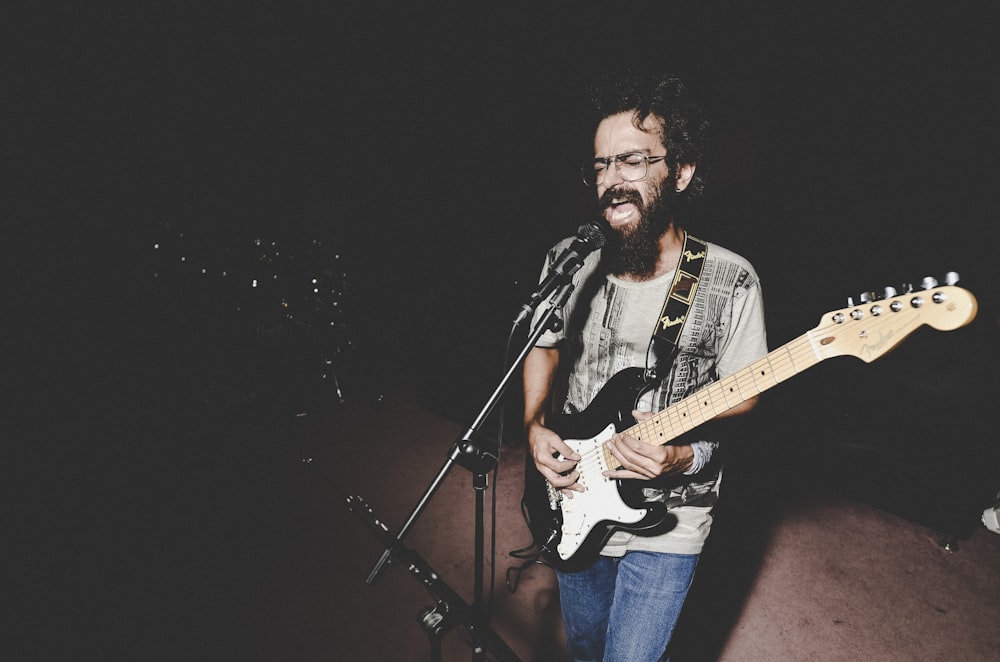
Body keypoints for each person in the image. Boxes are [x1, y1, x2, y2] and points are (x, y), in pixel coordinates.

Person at [523, 71, 768, 661]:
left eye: (631, 162)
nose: (611, 182)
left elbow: (745, 394)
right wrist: (534, 426)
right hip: (576, 488)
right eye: (601, 166)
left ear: (680, 172)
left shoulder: (730, 278)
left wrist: (680, 454)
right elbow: (544, 346)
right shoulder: (570, 260)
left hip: (674, 511)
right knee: (583, 646)